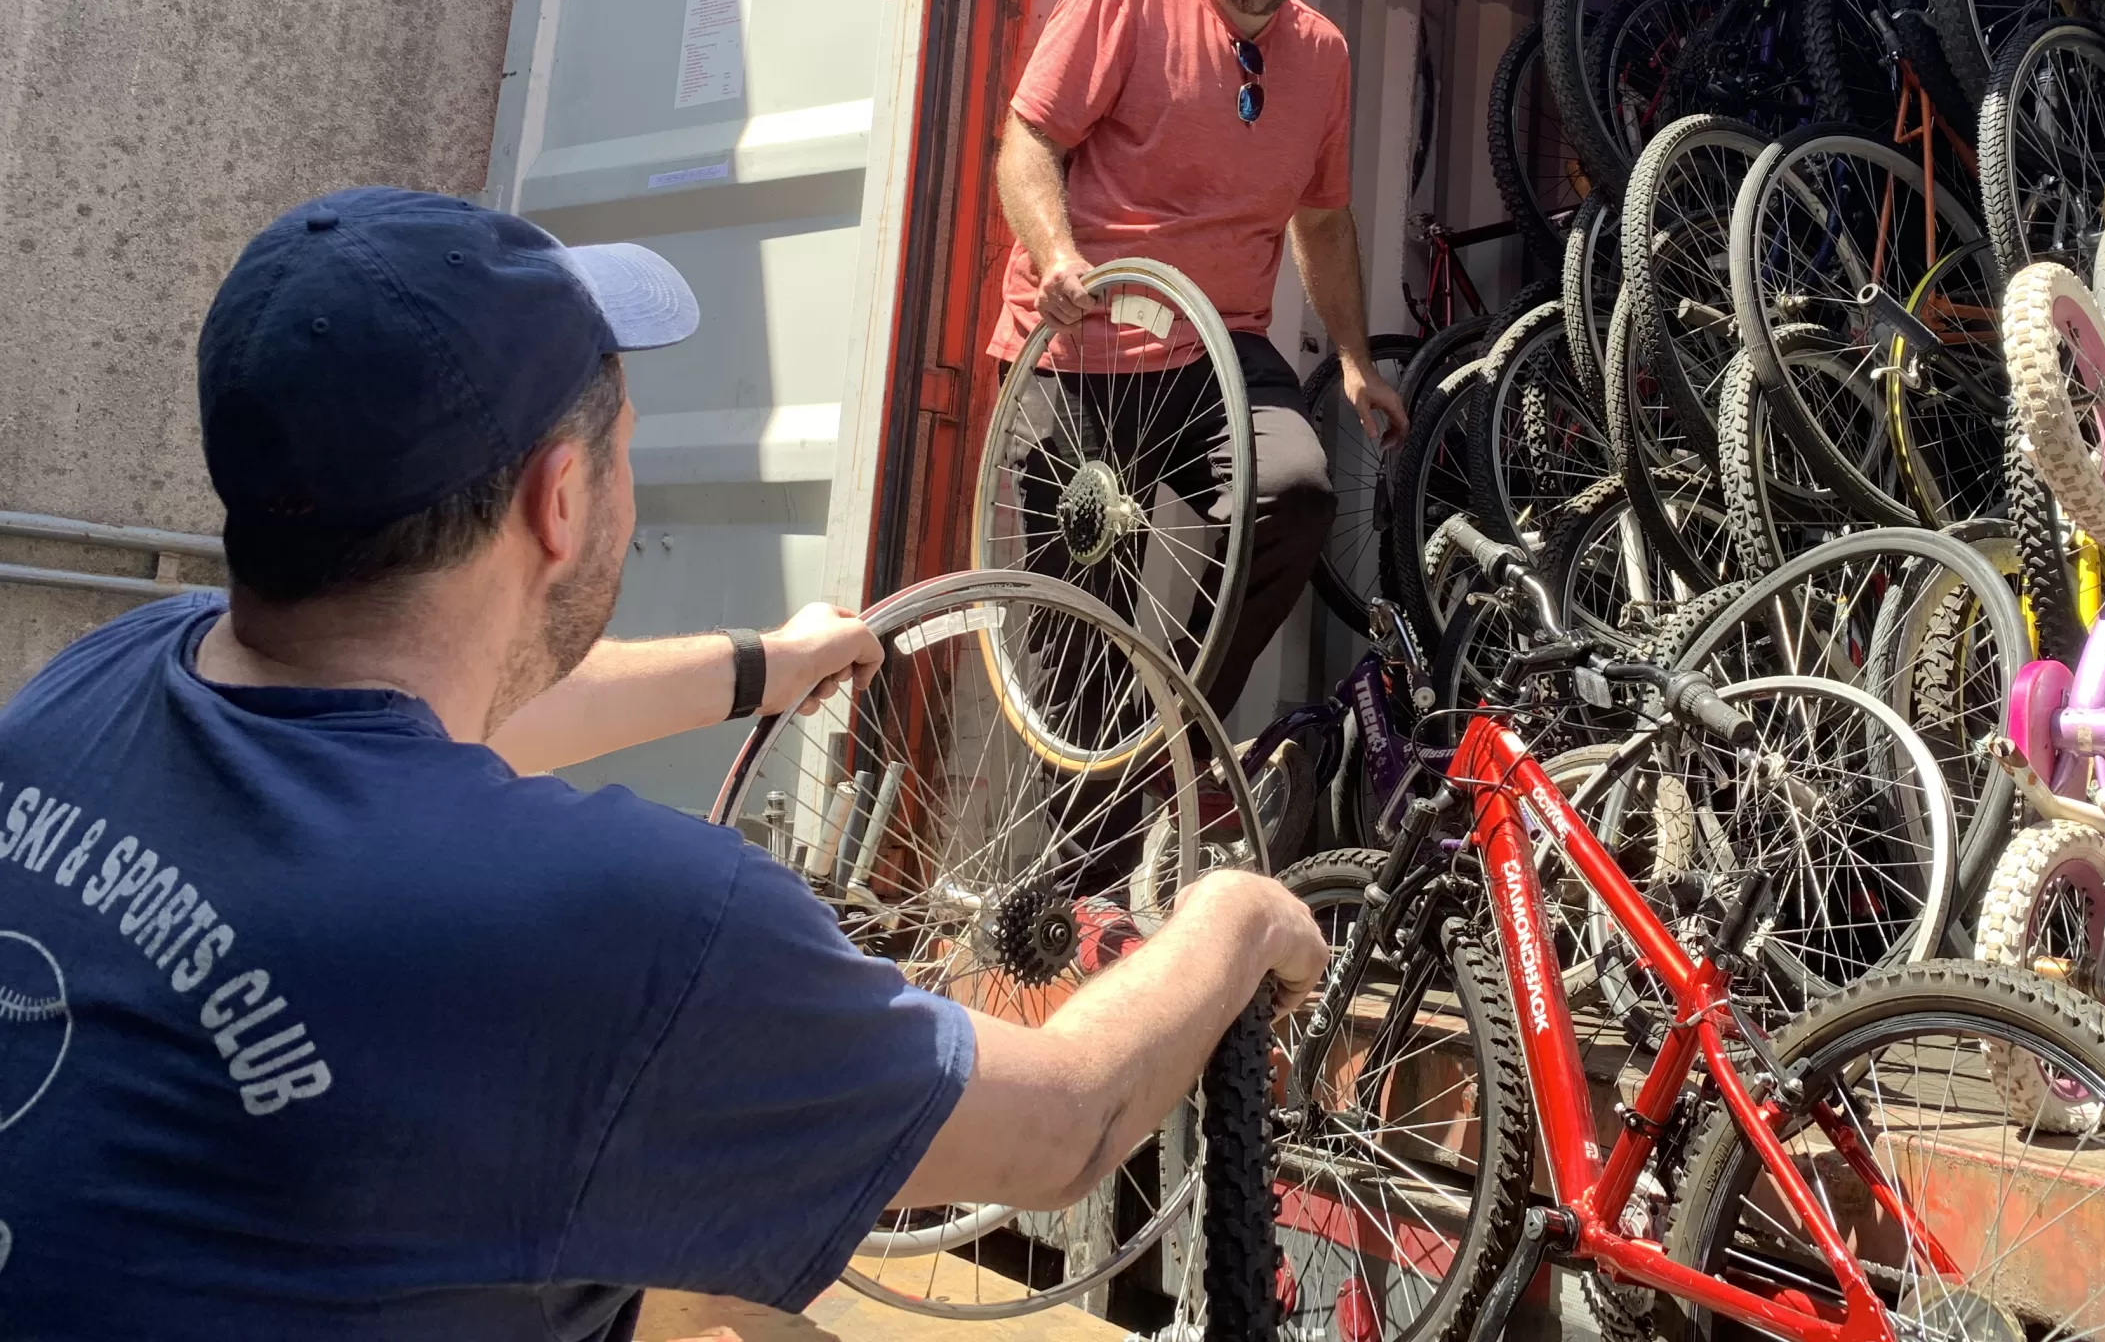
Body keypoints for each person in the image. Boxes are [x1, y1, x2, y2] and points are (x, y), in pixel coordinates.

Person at [0, 187, 1325, 1338]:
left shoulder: (106, 682)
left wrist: (761, 665)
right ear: (559, 501)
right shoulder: (619, 928)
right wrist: (1234, 919)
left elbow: (472, 723)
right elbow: (1069, 1128)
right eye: (626, 445)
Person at [993, 0, 1408, 721]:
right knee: (1083, 646)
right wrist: (1057, 253)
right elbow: (1027, 143)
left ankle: (1172, 732)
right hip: (1082, 349)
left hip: (1217, 347)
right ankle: (1093, 838)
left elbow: (1325, 218)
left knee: (1296, 493)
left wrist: (1351, 360)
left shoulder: (1323, 55)